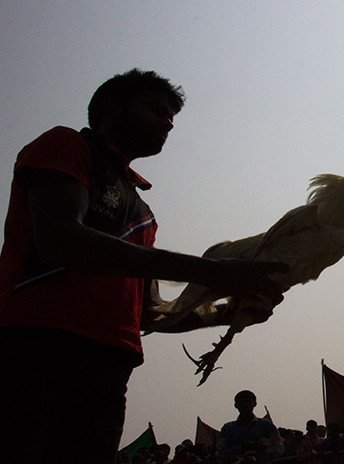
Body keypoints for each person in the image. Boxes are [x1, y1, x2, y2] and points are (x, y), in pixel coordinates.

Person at [0, 69, 287, 463]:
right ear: (113, 107)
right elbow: (59, 239)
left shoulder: (144, 214)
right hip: (35, 349)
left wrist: (227, 313)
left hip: (110, 370)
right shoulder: (66, 146)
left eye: (172, 117)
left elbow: (149, 314)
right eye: (156, 110)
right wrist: (214, 273)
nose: (167, 123)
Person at [218, 390, 284, 464]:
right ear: (236, 405)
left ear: (254, 404)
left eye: (248, 402)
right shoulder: (228, 428)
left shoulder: (266, 425)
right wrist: (243, 447)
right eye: (242, 402)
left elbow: (279, 448)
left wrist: (260, 457)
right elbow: (222, 453)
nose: (245, 405)